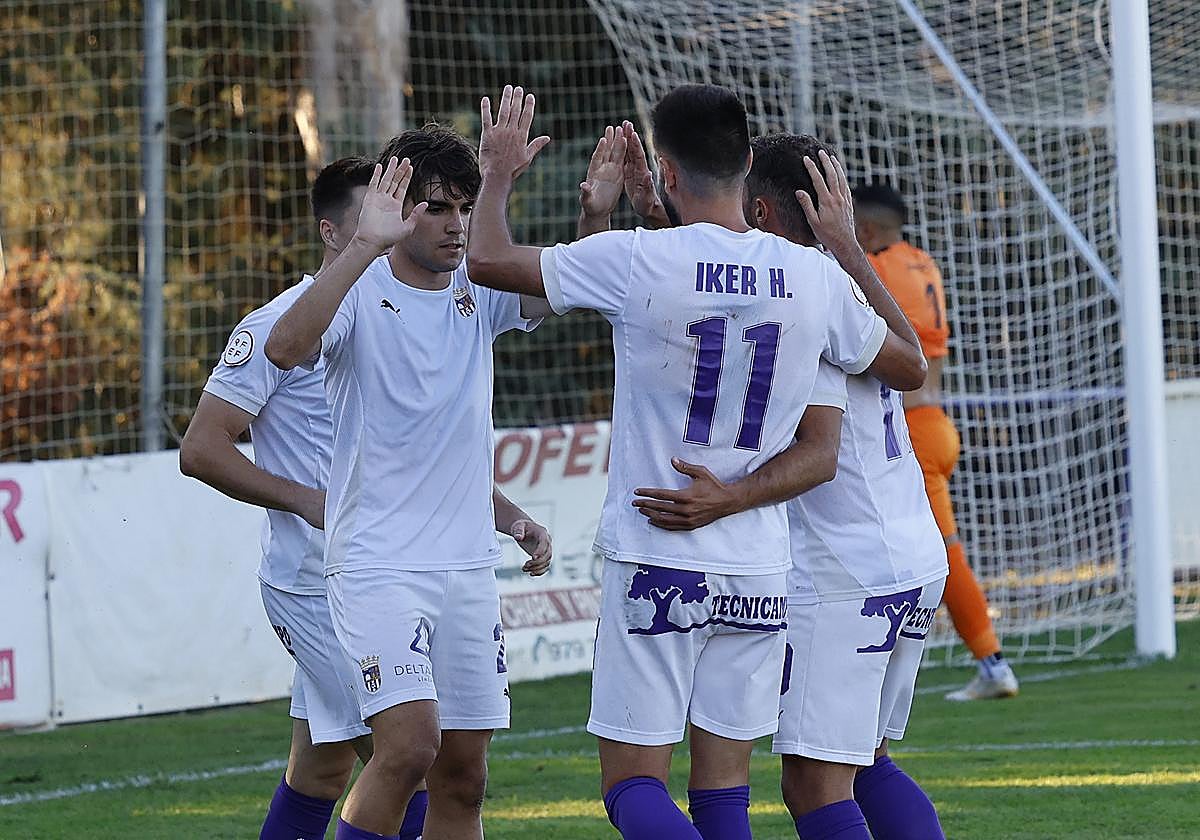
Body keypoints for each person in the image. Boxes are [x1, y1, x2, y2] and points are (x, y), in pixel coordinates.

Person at [466, 83, 926, 840]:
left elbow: (486, 258)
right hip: (759, 566)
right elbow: (907, 364)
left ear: (669, 175)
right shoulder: (809, 276)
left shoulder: (639, 260)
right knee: (723, 795)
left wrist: (499, 172)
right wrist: (844, 248)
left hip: (659, 554)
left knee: (633, 789)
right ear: (747, 162)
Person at [264, 127, 553, 840]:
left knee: (465, 775)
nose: (456, 224)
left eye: (464, 207)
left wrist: (560, 200)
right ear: (398, 211)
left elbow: (561, 293)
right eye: (436, 208)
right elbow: (284, 348)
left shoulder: (477, 289)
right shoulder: (356, 291)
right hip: (376, 564)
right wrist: (363, 244)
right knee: (408, 748)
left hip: (466, 568)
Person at [180, 157, 427, 840]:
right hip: (316, 584)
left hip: (377, 575)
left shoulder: (393, 318)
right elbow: (202, 448)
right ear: (329, 231)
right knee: (407, 761)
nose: (391, 232)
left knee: (320, 773)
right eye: (371, 220)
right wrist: (304, 498)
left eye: (398, 215)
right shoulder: (276, 327)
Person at [854, 182, 1019, 701]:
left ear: (867, 230)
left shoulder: (875, 270)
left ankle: (992, 663)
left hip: (912, 429)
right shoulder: (924, 263)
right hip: (933, 422)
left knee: (942, 554)